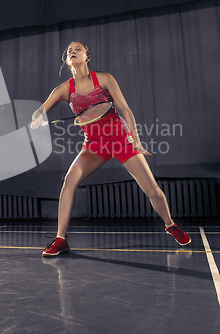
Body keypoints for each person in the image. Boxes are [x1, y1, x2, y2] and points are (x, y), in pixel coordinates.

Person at [31, 41, 191, 257]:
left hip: (120, 138)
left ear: (88, 56)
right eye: (69, 50)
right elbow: (39, 111)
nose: (73, 50)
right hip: (94, 145)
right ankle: (61, 240)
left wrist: (135, 139)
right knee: (70, 180)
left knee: (151, 189)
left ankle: (170, 225)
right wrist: (37, 119)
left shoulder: (104, 79)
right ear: (67, 59)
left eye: (78, 48)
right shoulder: (63, 90)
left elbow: (125, 108)